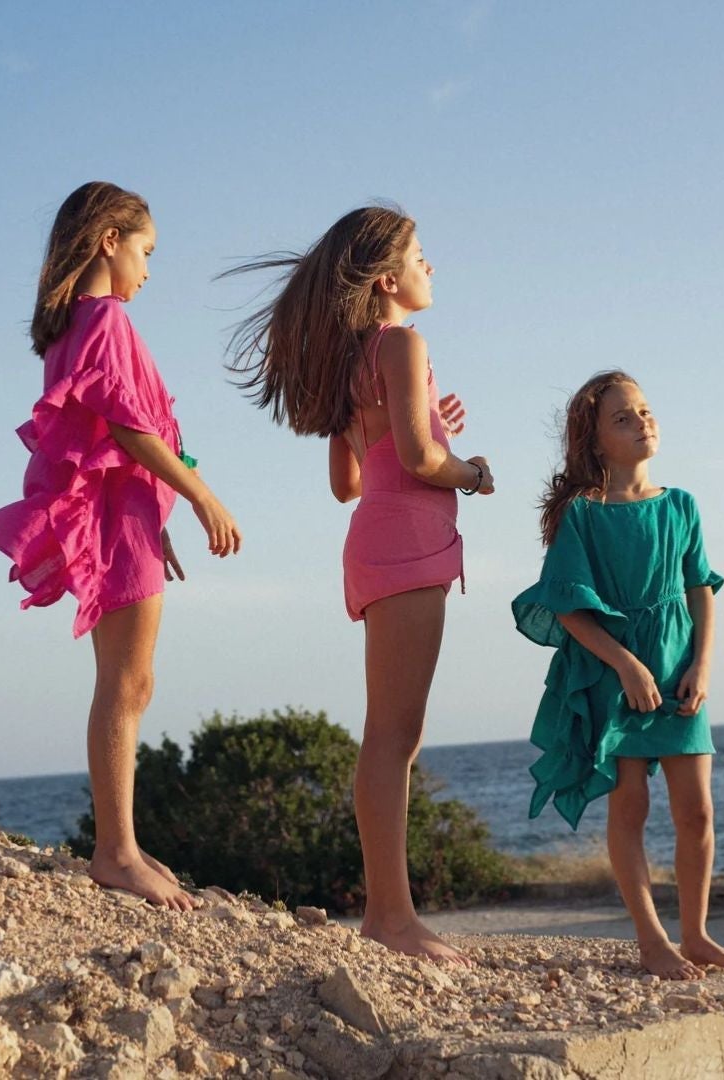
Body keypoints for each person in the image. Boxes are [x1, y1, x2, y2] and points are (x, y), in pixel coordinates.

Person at [224, 205, 492, 962]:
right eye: (419, 256)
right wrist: (472, 470)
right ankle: (390, 918)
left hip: (376, 539)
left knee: (390, 733)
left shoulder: (354, 363)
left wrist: (429, 420)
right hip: (407, 541)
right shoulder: (403, 343)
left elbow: (350, 480)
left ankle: (390, 913)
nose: (430, 267)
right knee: (393, 736)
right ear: (386, 279)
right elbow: (418, 463)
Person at [0, 181, 241, 911]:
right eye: (146, 251)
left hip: (123, 514)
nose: (149, 271)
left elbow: (108, 434)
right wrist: (201, 496)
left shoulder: (74, 325)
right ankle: (115, 851)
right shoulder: (104, 319)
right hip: (114, 517)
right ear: (109, 241)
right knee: (126, 683)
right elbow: (131, 430)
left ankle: (119, 840)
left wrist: (157, 516)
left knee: (131, 681)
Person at [511, 370, 724, 979]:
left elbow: (701, 590)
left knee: (696, 812)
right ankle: (650, 939)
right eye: (623, 417)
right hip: (620, 673)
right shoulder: (584, 515)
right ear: (594, 442)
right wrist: (625, 663)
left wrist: (702, 664)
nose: (642, 422)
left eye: (644, 410)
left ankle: (694, 933)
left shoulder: (681, 505)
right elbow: (566, 605)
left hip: (680, 670)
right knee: (631, 807)